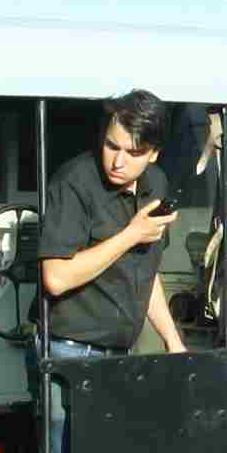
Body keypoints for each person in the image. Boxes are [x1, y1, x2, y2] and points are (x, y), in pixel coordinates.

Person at [40, 89, 183, 362]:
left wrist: (172, 341)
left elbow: (146, 272)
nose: (118, 162)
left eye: (134, 153)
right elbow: (56, 279)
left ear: (154, 153)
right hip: (67, 350)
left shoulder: (157, 184)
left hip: (123, 355)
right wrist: (131, 235)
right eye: (112, 146)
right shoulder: (74, 182)